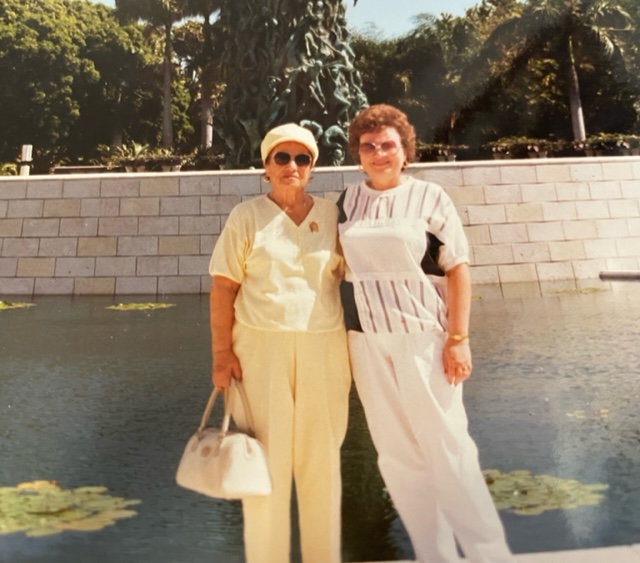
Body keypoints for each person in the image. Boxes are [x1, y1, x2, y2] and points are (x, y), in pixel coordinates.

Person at [337, 104, 515, 563]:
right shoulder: (345, 203)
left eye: (388, 145)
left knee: (448, 451)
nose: (379, 153)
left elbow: (457, 269)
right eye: (369, 146)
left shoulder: (430, 197)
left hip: (423, 338)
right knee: (397, 458)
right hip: (367, 341)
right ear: (358, 153)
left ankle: (489, 555)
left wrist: (459, 338)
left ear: (405, 150)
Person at [208, 123, 351, 563]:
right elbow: (223, 287)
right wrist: (220, 353)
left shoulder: (332, 216)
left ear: (313, 168)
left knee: (322, 466)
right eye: (282, 158)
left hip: (324, 351)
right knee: (263, 468)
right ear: (265, 167)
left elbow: (360, 276)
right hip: (257, 355)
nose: (292, 166)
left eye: (302, 158)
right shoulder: (245, 216)